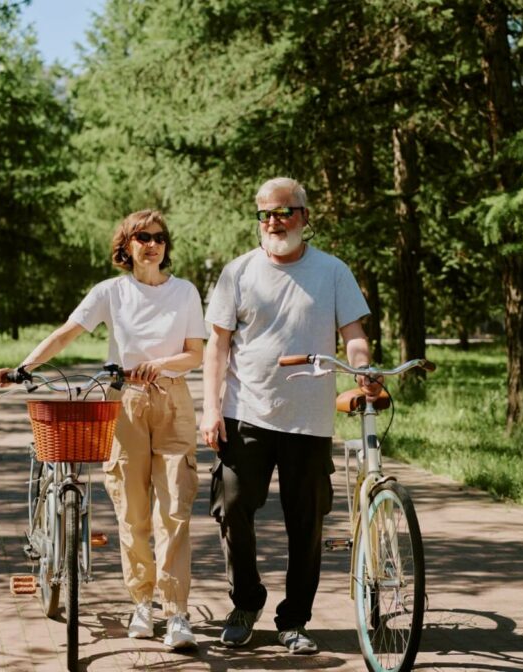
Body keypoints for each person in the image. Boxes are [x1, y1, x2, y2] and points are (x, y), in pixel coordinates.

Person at [0, 209, 206, 650]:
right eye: (142, 236)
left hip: (172, 401)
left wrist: (158, 365)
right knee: (133, 512)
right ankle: (142, 603)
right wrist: (23, 369)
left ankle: (176, 612)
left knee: (175, 508)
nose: (153, 244)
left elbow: (194, 354)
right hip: (121, 403)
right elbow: (68, 333)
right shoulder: (111, 292)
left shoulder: (185, 292)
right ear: (126, 246)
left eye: (159, 237)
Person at [199, 177, 380, 655]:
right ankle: (245, 603)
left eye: (284, 212)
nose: (274, 222)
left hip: (309, 420)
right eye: (265, 214)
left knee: (307, 523)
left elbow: (354, 334)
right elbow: (216, 346)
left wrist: (363, 371)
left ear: (305, 216)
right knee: (232, 507)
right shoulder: (237, 273)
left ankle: (294, 619)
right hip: (246, 413)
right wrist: (210, 408)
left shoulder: (333, 271)